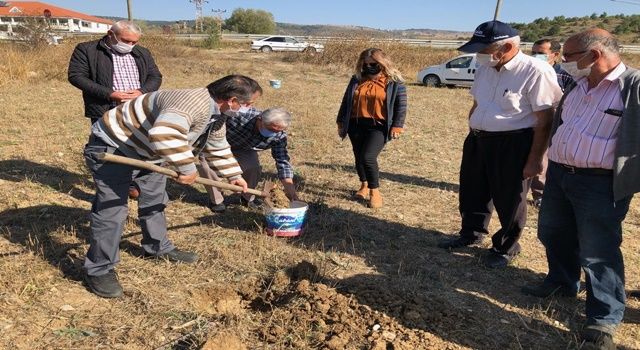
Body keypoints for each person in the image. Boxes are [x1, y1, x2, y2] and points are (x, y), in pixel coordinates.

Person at [82, 75, 261, 298]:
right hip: (113, 147)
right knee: (112, 209)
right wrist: (188, 169)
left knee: (155, 200)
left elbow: (216, 144)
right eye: (249, 104)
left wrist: (233, 175)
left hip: (150, 153)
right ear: (232, 100)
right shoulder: (191, 102)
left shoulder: (216, 114)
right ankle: (99, 269)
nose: (250, 109)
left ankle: (158, 247)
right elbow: (164, 134)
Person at [521, 29, 640, 350]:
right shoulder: (577, 84)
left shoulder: (633, 86)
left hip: (600, 183)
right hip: (561, 174)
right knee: (552, 231)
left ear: (595, 55)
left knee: (598, 250)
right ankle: (562, 281)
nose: (563, 61)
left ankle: (603, 318)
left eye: (569, 56)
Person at [437, 21, 562, 268]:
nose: (479, 55)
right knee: (473, 189)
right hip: (478, 139)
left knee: (510, 197)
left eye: (483, 49)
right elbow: (478, 102)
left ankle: (506, 246)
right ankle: (471, 233)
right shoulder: (486, 68)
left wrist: (535, 159)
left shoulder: (536, 71)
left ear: (506, 47)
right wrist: (474, 128)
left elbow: (545, 120)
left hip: (514, 142)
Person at [68, 20, 162, 199]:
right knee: (107, 147)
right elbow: (76, 76)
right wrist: (110, 94)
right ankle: (109, 184)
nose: (131, 45)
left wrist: (142, 91)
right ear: (111, 34)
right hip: (106, 108)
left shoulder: (142, 52)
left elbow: (155, 76)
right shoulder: (87, 49)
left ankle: (132, 182)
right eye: (126, 41)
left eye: (134, 42)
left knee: (138, 145)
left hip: (137, 109)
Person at [336, 48, 407, 208]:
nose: (369, 67)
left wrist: (397, 125)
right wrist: (340, 120)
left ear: (382, 63)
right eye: (365, 64)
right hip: (355, 124)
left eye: (373, 64)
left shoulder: (394, 81)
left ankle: (375, 191)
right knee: (358, 156)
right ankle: (364, 185)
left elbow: (401, 105)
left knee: (368, 157)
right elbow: (346, 100)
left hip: (379, 126)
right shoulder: (357, 79)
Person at [197, 107, 298, 212]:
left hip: (244, 149)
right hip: (218, 144)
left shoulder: (279, 137)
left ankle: (247, 198)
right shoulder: (239, 115)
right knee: (207, 168)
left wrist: (289, 187)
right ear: (260, 119)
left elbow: (282, 160)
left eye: (278, 131)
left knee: (253, 168)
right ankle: (216, 201)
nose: (272, 133)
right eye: (270, 129)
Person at [529, 38, 575, 207]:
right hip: (528, 121)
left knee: (541, 159)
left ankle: (540, 193)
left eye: (540, 53)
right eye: (533, 52)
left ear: (555, 55)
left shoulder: (564, 74)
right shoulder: (529, 70)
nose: (535, 56)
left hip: (552, 123)